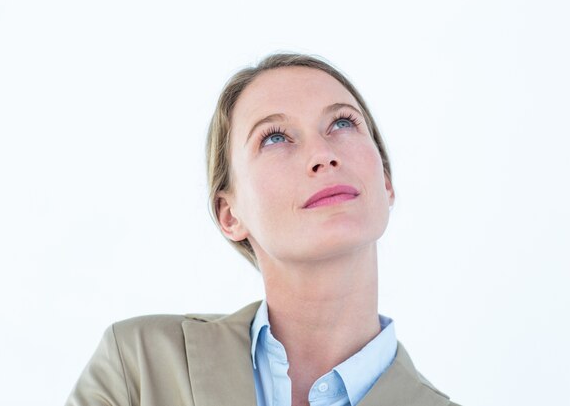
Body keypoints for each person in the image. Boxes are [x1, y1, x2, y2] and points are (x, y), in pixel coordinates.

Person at [65, 52, 461, 406]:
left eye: (342, 122)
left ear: (386, 182)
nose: (323, 154)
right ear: (229, 213)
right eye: (274, 137)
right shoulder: (138, 364)